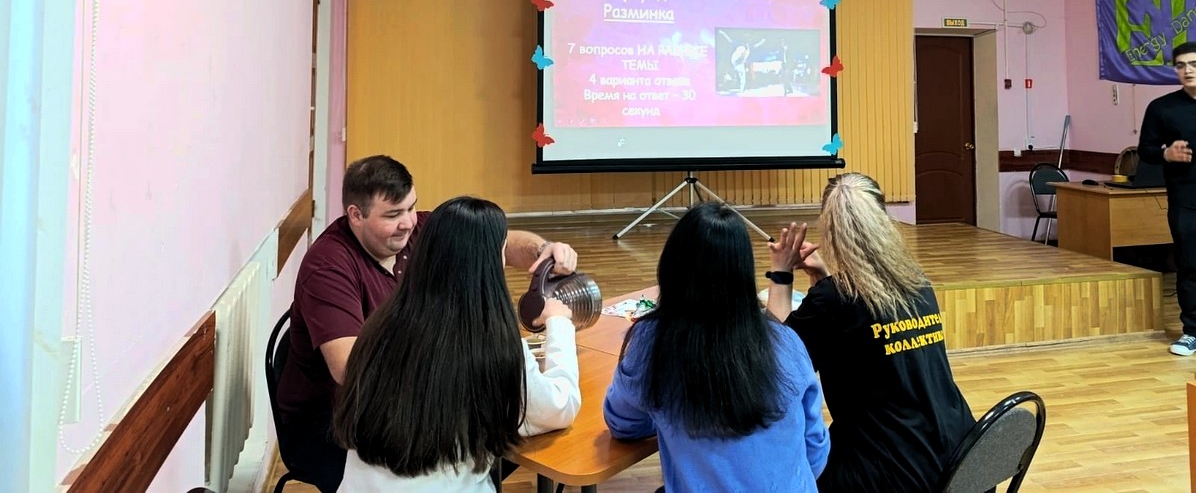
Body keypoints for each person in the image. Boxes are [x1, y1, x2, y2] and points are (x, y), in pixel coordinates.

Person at [275, 155, 579, 491]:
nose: (408, 222)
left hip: (385, 426)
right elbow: (353, 371)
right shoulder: (329, 266)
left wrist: (545, 250)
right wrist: (554, 329)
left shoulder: (402, 289)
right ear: (356, 215)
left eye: (411, 207)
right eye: (393, 214)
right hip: (336, 422)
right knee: (508, 433)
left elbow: (490, 242)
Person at [767, 173, 974, 492]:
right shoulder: (918, 283)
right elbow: (858, 326)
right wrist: (824, 278)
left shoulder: (834, 300)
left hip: (889, 474)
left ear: (830, 231)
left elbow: (779, 359)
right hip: (960, 462)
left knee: (782, 467)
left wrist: (780, 274)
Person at [603, 202, 829, 492]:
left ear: (671, 267)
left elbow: (622, 424)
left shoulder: (653, 342)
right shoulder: (787, 341)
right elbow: (816, 450)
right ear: (744, 271)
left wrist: (666, 416)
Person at [1138, 40, 1196, 356]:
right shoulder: (1162, 108)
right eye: (1181, 65)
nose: (1188, 70)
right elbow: (1146, 150)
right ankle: (1192, 332)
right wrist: (1166, 154)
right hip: (1186, 199)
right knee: (1189, 264)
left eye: (1194, 64)